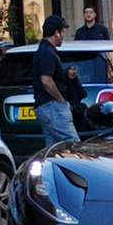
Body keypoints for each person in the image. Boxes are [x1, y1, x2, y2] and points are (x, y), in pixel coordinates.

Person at [31, 14, 78, 149]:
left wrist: (65, 74)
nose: (63, 35)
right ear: (56, 33)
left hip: (45, 106)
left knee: (53, 148)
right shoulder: (47, 52)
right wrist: (61, 100)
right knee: (73, 145)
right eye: (62, 32)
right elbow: (46, 80)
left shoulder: (45, 50)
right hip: (52, 106)